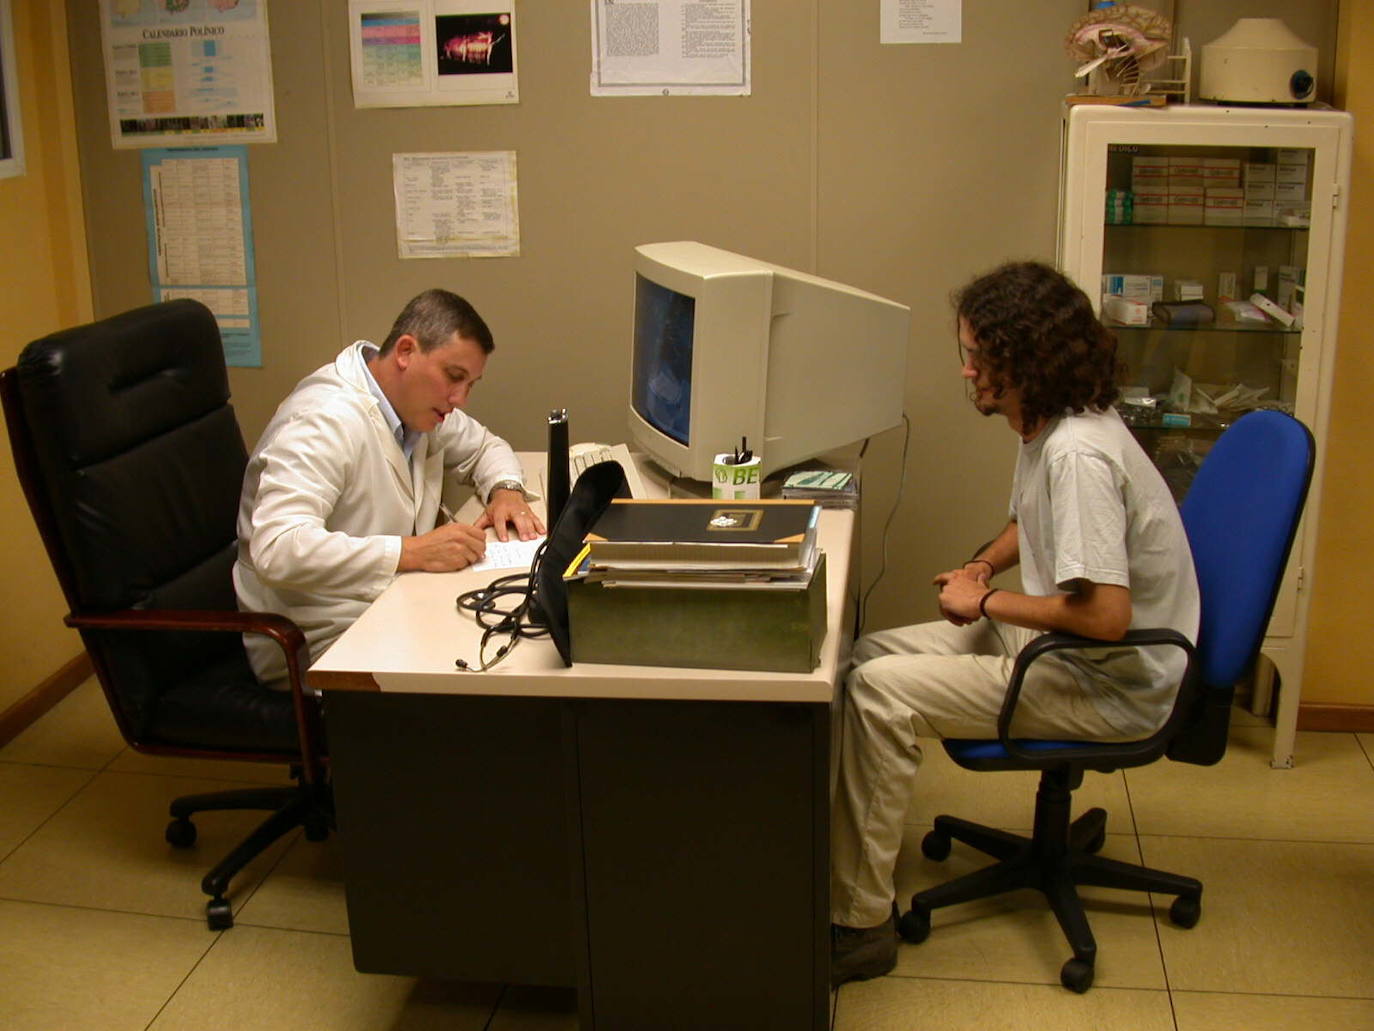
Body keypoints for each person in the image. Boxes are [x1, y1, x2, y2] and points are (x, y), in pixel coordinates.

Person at [829, 261, 1200, 986]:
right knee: (865, 653)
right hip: (1062, 645)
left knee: (878, 695)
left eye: (978, 356)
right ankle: (849, 844)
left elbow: (1105, 613)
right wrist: (982, 568)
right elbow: (1028, 525)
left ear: (1024, 360)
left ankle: (860, 923)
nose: (966, 371)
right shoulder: (1052, 419)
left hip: (1110, 682)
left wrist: (986, 603)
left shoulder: (1077, 454)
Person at [233, 288, 545, 685]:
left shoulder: (416, 408)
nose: (460, 399)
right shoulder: (322, 421)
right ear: (405, 351)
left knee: (512, 640)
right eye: (454, 377)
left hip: (389, 605)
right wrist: (410, 552)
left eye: (471, 384)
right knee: (494, 676)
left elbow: (486, 447)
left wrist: (505, 490)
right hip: (320, 637)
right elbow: (278, 549)